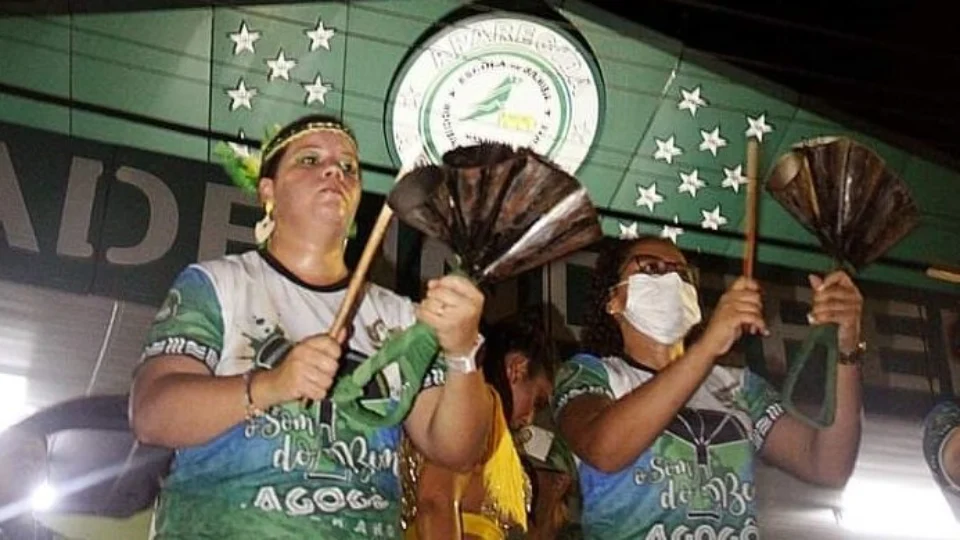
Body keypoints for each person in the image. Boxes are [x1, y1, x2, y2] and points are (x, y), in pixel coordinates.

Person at [129, 114, 493, 538]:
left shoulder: (401, 316)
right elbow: (151, 414)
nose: (334, 171)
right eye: (309, 159)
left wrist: (462, 353)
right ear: (269, 190)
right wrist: (272, 385)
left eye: (349, 167)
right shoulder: (218, 285)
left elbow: (456, 450)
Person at [552, 236, 865, 539]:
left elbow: (827, 466)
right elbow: (603, 449)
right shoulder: (590, 374)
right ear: (613, 300)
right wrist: (708, 347)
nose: (672, 281)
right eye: (651, 269)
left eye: (682, 273)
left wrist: (847, 347)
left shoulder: (739, 387)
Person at [400, 316, 566, 539]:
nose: (530, 418)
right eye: (537, 401)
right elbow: (436, 500)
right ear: (516, 369)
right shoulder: (475, 414)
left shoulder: (490, 428)